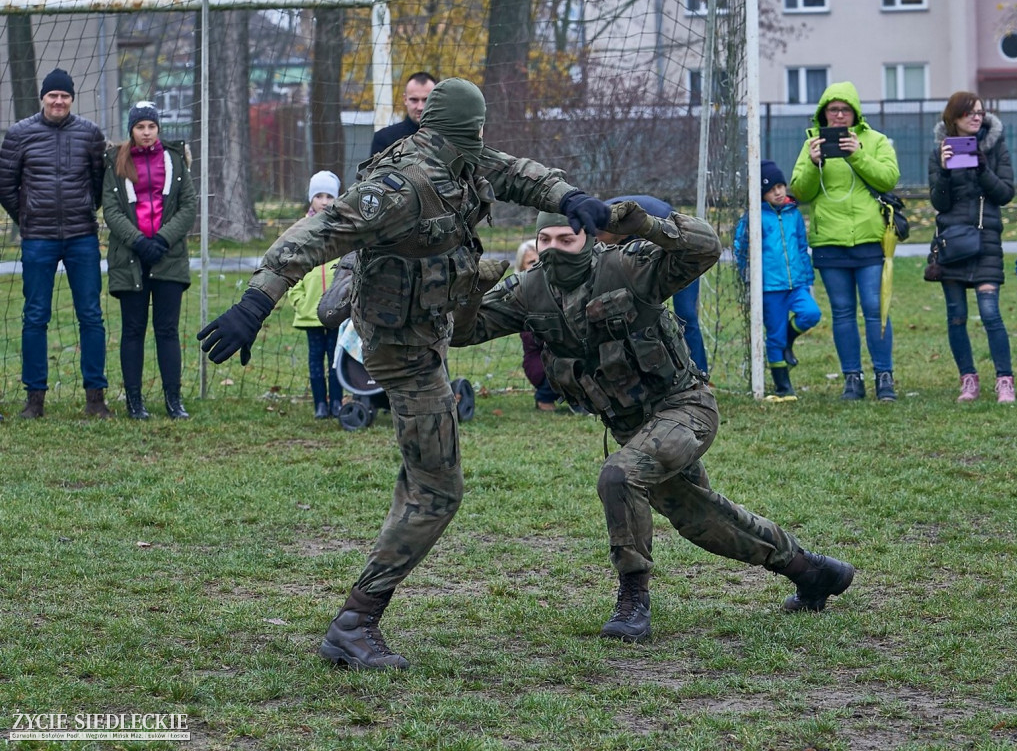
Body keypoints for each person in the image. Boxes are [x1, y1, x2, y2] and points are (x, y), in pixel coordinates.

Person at [197, 77, 611, 670]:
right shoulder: (403, 184)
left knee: (424, 479)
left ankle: (358, 617)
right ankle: (355, 624)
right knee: (439, 490)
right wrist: (254, 304)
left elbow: (522, 173)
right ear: (465, 128)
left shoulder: (461, 156)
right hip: (400, 348)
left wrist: (572, 198)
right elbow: (315, 234)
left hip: (428, 330)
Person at [453, 203, 855, 642]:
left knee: (618, 475)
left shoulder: (627, 265)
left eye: (565, 239)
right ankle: (812, 571)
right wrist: (472, 290)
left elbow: (704, 249)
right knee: (702, 520)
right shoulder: (530, 290)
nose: (553, 250)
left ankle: (633, 600)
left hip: (684, 408)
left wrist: (648, 225)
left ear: (587, 238)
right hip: (630, 425)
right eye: (544, 241)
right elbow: (460, 332)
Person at [0, 68, 110, 419]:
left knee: (91, 316)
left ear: (71, 99)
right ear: (42, 98)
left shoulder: (91, 134)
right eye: (53, 95)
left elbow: (98, 182)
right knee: (35, 317)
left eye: (64, 95)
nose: (58, 101)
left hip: (82, 238)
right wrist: (29, 217)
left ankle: (95, 398)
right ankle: (35, 400)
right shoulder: (19, 134)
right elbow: (5, 185)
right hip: (38, 239)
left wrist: (81, 212)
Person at [790, 81, 900, 402]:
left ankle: (884, 376)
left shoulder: (875, 140)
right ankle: (852, 378)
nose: (839, 116)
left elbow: (889, 178)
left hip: (869, 240)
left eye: (845, 110)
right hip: (829, 241)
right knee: (842, 312)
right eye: (833, 110)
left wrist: (857, 155)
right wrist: (813, 164)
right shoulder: (811, 143)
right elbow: (800, 191)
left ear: (855, 113)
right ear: (823, 114)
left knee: (875, 308)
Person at [103, 101, 197, 420]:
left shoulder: (173, 159)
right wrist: (139, 242)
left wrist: (161, 240)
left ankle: (174, 400)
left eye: (151, 127)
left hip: (167, 255)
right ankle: (134, 402)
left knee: (167, 330)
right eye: (140, 127)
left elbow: (188, 207)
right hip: (130, 257)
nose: (146, 132)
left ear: (158, 129)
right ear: (131, 129)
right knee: (133, 329)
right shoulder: (116, 161)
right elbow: (111, 210)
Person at [928, 93, 1016, 403]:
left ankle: (1005, 379)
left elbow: (1005, 193)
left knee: (991, 313)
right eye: (969, 114)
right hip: (952, 241)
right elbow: (939, 203)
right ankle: (968, 379)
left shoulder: (995, 148)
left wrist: (981, 168)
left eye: (979, 113)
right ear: (954, 119)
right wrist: (944, 171)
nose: (976, 118)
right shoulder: (940, 151)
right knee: (956, 316)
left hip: (986, 241)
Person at [734, 161, 821, 400]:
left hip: (797, 284)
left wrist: (807, 278)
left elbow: (802, 247)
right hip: (770, 287)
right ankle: (783, 386)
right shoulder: (754, 217)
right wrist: (748, 276)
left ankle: (788, 343)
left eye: (781, 186)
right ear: (762, 193)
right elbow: (740, 248)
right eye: (772, 189)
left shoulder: (794, 213)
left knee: (811, 314)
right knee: (775, 335)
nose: (779, 192)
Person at [605, 194, 709, 375]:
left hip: (680, 254)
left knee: (686, 315)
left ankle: (699, 373)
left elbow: (675, 255)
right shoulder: (591, 222)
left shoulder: (656, 220)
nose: (597, 241)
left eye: (600, 237)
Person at [286, 170, 345, 419]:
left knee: (335, 359)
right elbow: (288, 268)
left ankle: (337, 402)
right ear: (311, 198)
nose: (324, 201)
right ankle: (320, 404)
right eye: (319, 195)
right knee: (315, 360)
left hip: (336, 309)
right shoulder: (300, 231)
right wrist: (299, 300)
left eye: (329, 196)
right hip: (310, 311)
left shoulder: (344, 231)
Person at [514, 240, 561, 411]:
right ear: (521, 267)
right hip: (540, 361)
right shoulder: (522, 296)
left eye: (541, 260)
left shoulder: (558, 287)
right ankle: (544, 398)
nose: (538, 266)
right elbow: (533, 338)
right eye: (531, 262)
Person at [369, 71, 437, 157]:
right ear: (405, 99)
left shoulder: (450, 138)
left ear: (436, 99)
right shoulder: (384, 139)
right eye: (414, 100)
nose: (420, 107)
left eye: (426, 100)